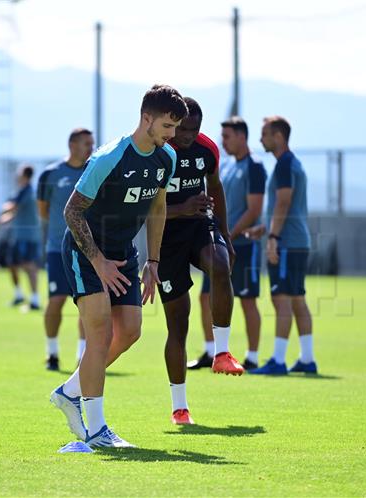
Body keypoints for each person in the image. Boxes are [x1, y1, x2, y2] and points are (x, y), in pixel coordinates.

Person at [50, 84, 186, 448]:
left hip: (124, 253)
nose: (172, 135)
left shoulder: (166, 158)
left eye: (175, 128)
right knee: (100, 335)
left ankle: (70, 390)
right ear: (147, 119)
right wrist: (98, 262)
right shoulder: (109, 157)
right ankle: (95, 430)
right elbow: (71, 211)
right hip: (85, 250)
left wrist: (153, 262)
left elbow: (157, 208)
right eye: (167, 127)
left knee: (130, 331)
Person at [157, 98, 244, 426]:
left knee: (221, 266)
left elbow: (216, 187)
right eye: (184, 130)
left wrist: (225, 234)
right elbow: (148, 207)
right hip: (164, 239)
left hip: (199, 228)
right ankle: (180, 407)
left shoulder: (206, 150)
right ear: (173, 123)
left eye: (195, 129)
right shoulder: (158, 152)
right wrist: (182, 208)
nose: (189, 136)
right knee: (178, 325)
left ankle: (221, 353)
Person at [191, 117, 266, 371]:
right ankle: (211, 352)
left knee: (247, 299)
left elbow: (254, 210)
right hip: (220, 243)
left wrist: (229, 235)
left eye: (228, 136)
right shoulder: (229, 166)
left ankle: (253, 357)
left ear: (242, 137)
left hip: (241, 245)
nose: (223, 141)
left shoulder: (254, 166)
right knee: (204, 297)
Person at [250, 116, 318, 375]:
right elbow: (288, 208)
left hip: (287, 242)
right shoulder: (293, 163)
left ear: (278, 136)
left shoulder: (284, 164)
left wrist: (274, 238)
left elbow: (284, 202)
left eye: (264, 133)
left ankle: (278, 360)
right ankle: (308, 359)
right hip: (297, 240)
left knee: (282, 300)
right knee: (298, 299)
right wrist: (265, 228)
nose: (261, 139)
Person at [36, 128, 94, 371]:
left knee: (87, 303)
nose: (91, 148)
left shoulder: (95, 170)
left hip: (89, 249)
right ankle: (52, 353)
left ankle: (83, 356)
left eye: (92, 144)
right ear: (72, 145)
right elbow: (43, 210)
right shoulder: (51, 173)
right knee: (57, 300)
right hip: (57, 248)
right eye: (86, 144)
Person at [0, 165, 40, 309]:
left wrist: (5, 209)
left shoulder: (26, 190)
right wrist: (6, 218)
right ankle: (19, 295)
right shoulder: (24, 191)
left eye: (19, 173)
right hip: (18, 235)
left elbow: (11, 206)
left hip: (27, 235)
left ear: (24, 175)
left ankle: (35, 299)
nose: (16, 176)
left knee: (28, 264)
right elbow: (16, 211)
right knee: (12, 264)